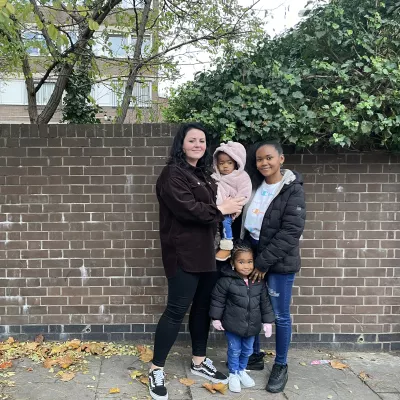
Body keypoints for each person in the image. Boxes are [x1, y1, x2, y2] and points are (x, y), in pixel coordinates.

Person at [148, 123, 246, 400]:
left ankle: (199, 362)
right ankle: (156, 368)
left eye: (202, 141)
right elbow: (187, 210)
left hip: (209, 253)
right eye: (192, 140)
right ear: (181, 144)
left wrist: (227, 212)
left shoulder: (203, 174)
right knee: (176, 311)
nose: (198, 144)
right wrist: (220, 209)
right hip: (182, 253)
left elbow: (213, 210)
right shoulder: (172, 175)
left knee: (201, 308)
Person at [240, 141, 306, 393]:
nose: (264, 163)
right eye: (259, 159)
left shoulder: (292, 189)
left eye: (269, 158)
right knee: (253, 308)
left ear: (281, 159)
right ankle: (255, 356)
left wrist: (263, 262)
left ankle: (280, 364)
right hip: (253, 258)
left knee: (279, 315)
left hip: (278, 262)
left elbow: (291, 231)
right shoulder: (255, 185)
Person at [210, 241, 275, 393]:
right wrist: (216, 318)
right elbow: (217, 300)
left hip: (252, 326)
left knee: (247, 351)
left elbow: (264, 302)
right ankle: (233, 373)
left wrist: (267, 322)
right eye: (241, 262)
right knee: (234, 350)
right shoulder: (226, 280)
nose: (246, 266)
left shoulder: (258, 281)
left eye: (249, 262)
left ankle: (241, 370)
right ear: (233, 263)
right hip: (232, 325)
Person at [211, 141, 252, 261]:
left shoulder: (240, 176)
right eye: (221, 163)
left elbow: (244, 192)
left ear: (236, 163)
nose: (225, 166)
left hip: (231, 208)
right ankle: (217, 246)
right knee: (216, 228)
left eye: (229, 163)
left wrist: (236, 205)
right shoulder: (215, 177)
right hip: (216, 209)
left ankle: (227, 246)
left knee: (225, 224)